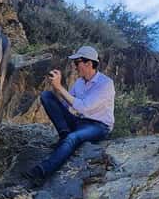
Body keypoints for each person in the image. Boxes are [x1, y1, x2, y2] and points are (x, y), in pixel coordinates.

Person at [23, 46, 115, 187]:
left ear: (89, 63)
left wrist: (60, 87)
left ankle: (40, 172)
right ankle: (64, 135)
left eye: (77, 63)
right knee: (47, 96)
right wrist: (56, 90)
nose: (75, 66)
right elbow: (68, 104)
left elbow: (84, 106)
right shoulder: (79, 82)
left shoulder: (105, 84)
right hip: (80, 120)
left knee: (73, 138)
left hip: (99, 126)